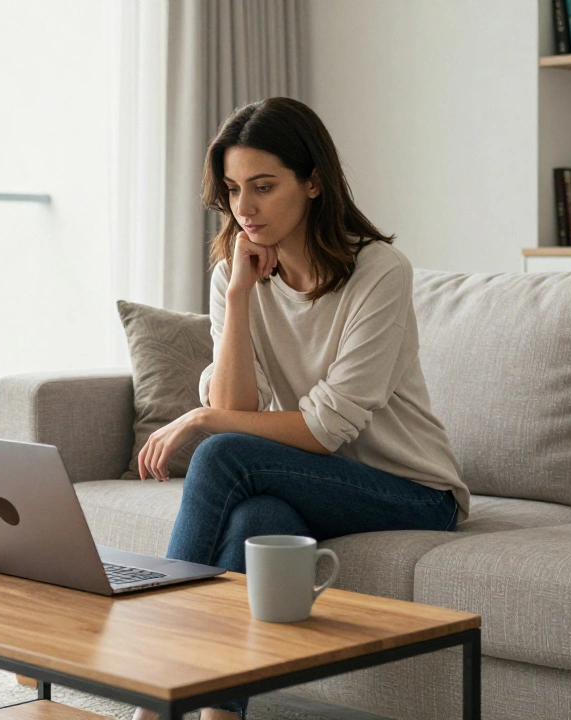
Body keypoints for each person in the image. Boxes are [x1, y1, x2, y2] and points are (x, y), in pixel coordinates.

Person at [132, 97, 468, 720]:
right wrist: (238, 297)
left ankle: (155, 689)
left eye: (264, 187)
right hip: (312, 481)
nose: (245, 208)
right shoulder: (238, 275)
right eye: (233, 190)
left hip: (412, 491)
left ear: (313, 182)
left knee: (225, 450)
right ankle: (217, 712)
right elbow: (240, 402)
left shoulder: (378, 272)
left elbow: (324, 427)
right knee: (256, 515)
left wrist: (202, 418)